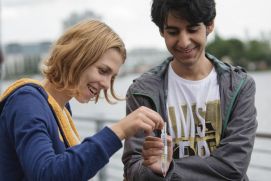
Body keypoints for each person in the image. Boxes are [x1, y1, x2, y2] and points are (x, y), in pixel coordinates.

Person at [0, 20, 164, 181]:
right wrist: (119, 130)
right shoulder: (27, 101)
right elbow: (46, 174)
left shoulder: (61, 110)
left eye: (112, 77)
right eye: (102, 71)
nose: (106, 84)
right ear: (77, 57)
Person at [122, 0, 257, 180]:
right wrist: (151, 169)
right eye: (173, 32)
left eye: (192, 29)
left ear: (210, 25)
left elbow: (233, 166)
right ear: (162, 31)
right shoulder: (141, 92)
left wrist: (168, 170)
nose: (184, 42)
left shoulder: (240, 85)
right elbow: (133, 168)